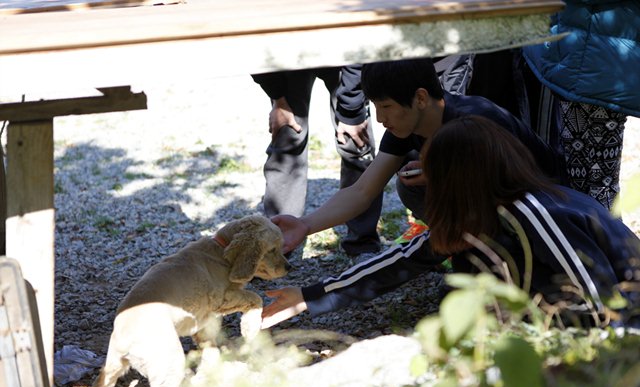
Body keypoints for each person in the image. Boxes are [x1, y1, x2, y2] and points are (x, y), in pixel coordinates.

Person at [261, 57, 568, 328]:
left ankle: (496, 269)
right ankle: (472, 260)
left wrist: (315, 295)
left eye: (386, 107)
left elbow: (518, 189)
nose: (379, 118)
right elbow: (363, 190)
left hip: (540, 220)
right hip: (483, 210)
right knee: (409, 187)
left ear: (420, 98)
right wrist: (306, 225)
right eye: (375, 107)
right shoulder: (408, 126)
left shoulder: (472, 124)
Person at [264, 116, 640, 328]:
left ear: (458, 181)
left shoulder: (537, 213)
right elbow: (404, 259)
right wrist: (309, 297)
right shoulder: (483, 212)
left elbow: (602, 298)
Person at [251, 66, 383, 257]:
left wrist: (352, 112)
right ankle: (279, 244)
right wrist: (278, 99)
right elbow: (258, 58)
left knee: (355, 141)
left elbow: (357, 61)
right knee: (287, 136)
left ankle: (363, 245)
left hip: (345, 60)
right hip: (287, 59)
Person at [522, 0, 640, 210]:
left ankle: (600, 231)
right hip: (584, 62)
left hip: (594, 67)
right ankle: (589, 228)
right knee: (581, 181)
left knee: (596, 186)